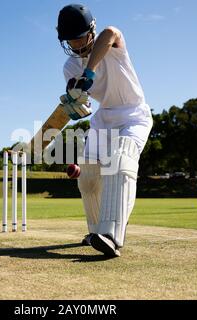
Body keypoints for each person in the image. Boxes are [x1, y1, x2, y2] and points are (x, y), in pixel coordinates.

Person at [57, 4, 153, 257]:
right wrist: (75, 100)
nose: (76, 45)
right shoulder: (69, 66)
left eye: (79, 37)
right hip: (102, 119)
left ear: (91, 30)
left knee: (120, 159)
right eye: (71, 40)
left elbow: (111, 32)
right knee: (88, 178)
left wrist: (90, 70)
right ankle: (96, 232)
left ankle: (112, 235)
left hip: (133, 114)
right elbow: (84, 104)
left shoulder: (110, 44)